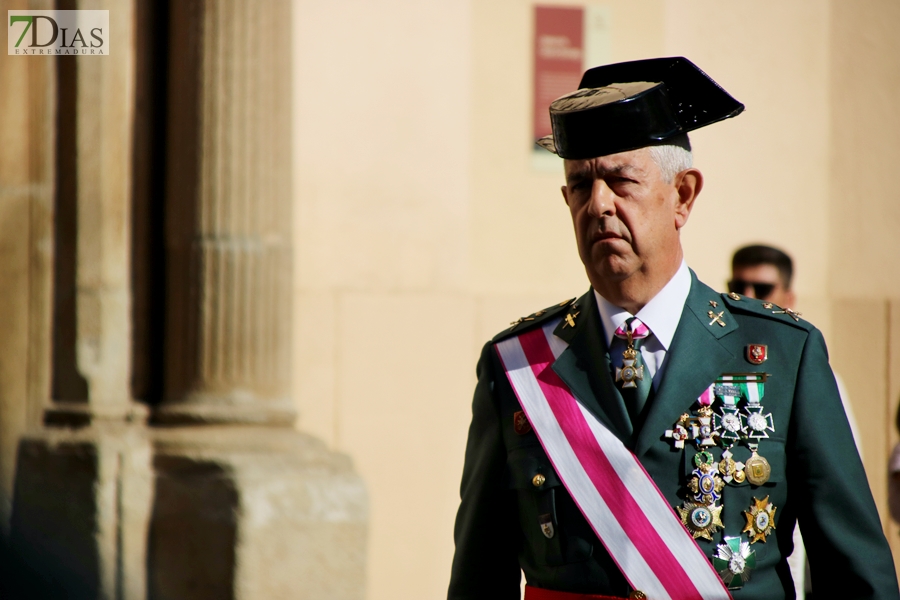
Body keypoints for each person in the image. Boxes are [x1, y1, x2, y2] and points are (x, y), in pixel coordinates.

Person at [448, 57, 898, 600]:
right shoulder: (518, 366)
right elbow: (479, 576)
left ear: (682, 196)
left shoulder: (784, 355)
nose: (599, 205)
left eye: (621, 180)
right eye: (581, 185)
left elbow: (856, 575)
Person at [729, 244, 862, 600]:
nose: (747, 297)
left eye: (762, 289)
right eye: (738, 284)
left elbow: (837, 495)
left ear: (788, 296)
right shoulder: (711, 372)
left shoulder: (810, 374)